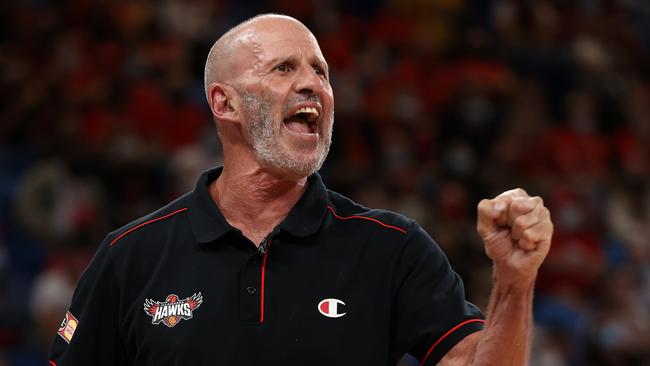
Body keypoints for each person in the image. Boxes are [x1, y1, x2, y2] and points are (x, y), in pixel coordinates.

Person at [49, 14, 553, 365]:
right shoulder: (131, 256)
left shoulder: (390, 247)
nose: (313, 84)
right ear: (225, 104)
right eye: (284, 68)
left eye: (321, 71)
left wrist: (514, 281)